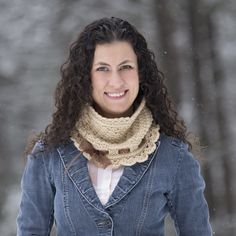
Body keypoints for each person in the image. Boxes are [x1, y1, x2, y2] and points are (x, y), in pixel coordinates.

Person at [16, 17, 213, 235]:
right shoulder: (50, 154)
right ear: (86, 76)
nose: (116, 81)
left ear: (140, 73)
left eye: (126, 67)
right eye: (102, 68)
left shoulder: (173, 155)